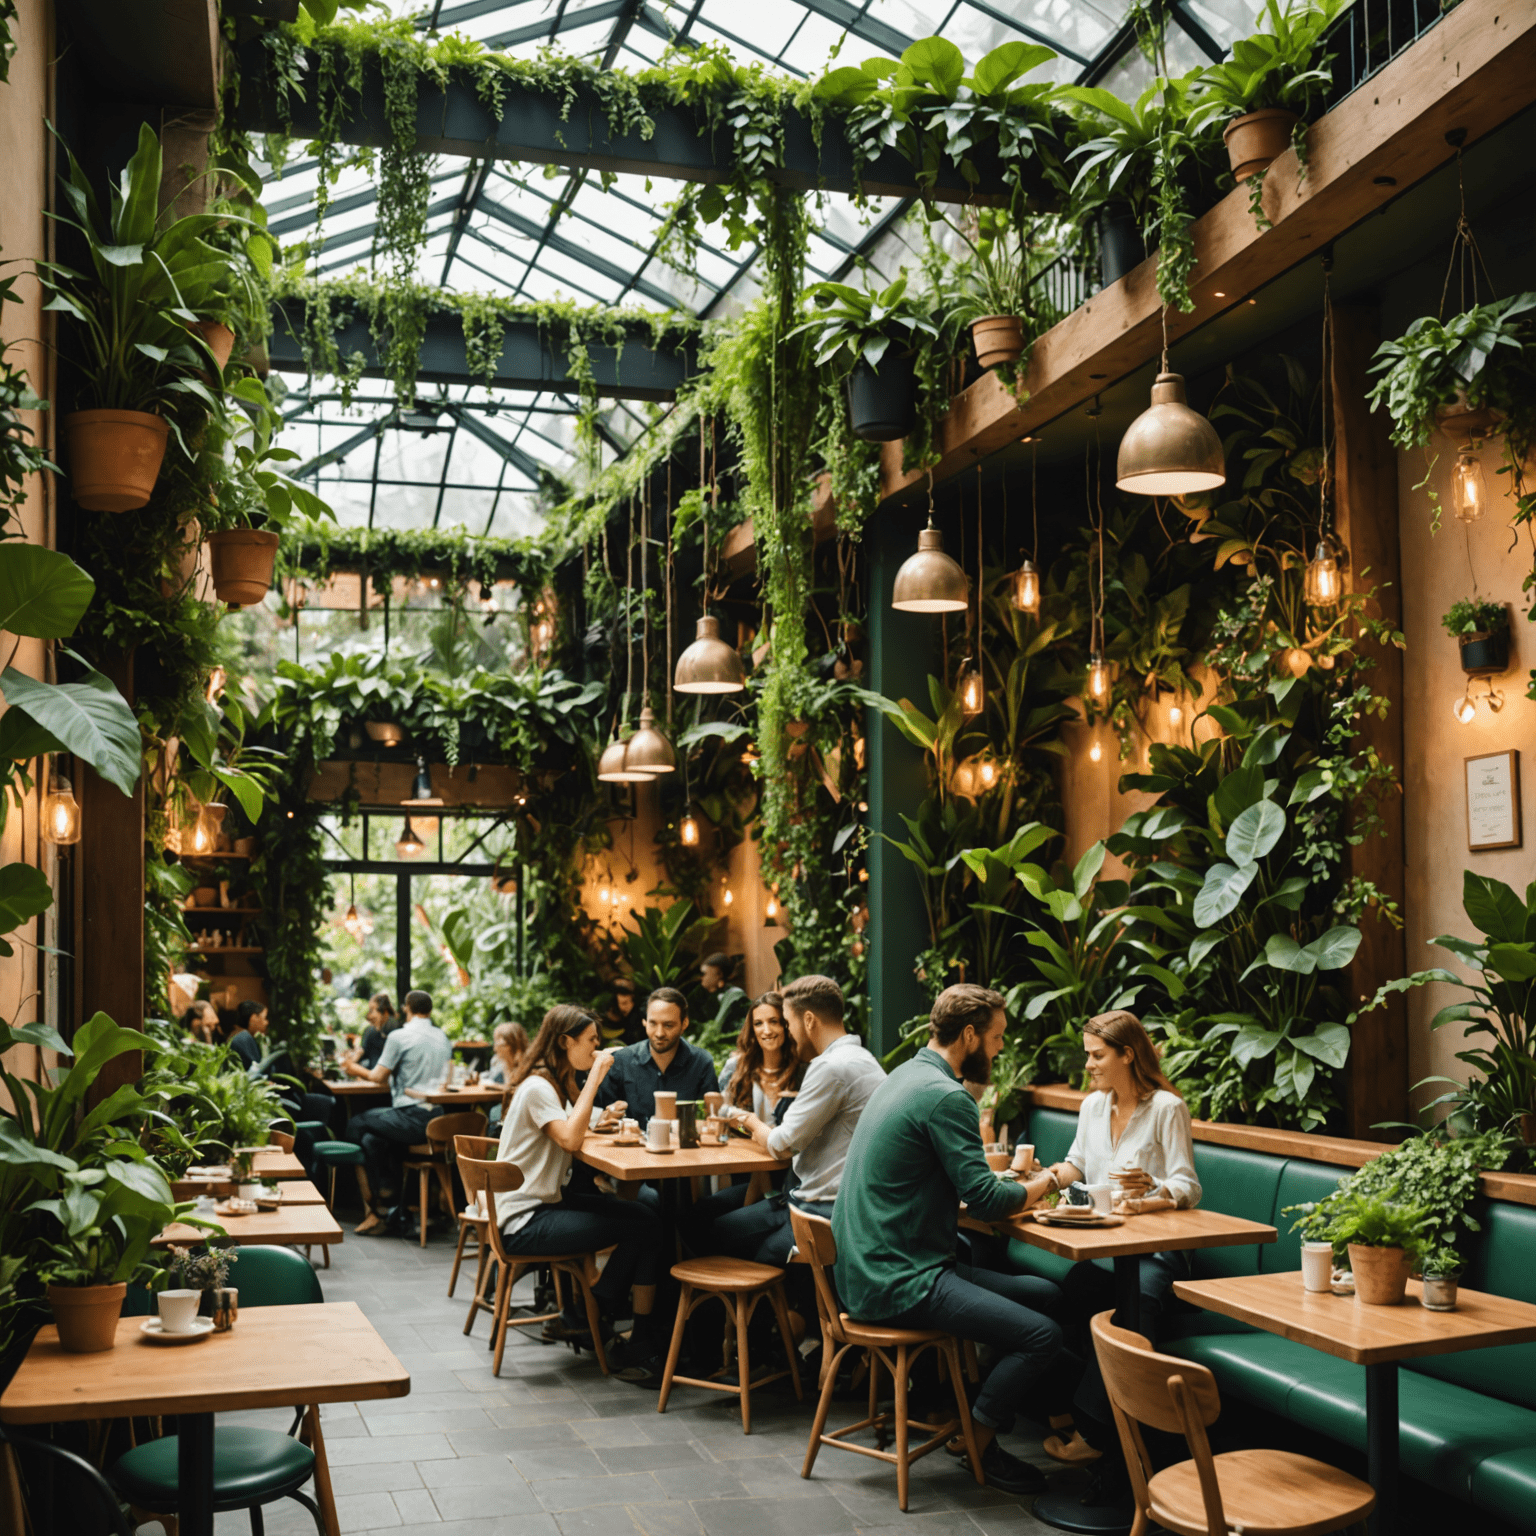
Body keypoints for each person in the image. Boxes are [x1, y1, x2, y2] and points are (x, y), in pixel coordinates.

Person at [833, 983, 1068, 1497]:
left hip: (870, 1269)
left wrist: (1007, 1187)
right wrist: (1053, 1180)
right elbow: (984, 1200)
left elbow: (957, 1185)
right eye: (998, 1037)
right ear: (969, 1035)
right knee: (1042, 1335)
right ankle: (977, 1442)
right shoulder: (946, 1096)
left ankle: (1042, 1415)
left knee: (1047, 1296)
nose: (1002, 1049)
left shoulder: (905, 1076)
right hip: (900, 1281)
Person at [1037, 1010, 1200, 1490]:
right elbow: (1076, 1164)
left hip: (1157, 1252)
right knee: (1071, 1294)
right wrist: (1039, 1182)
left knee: (1138, 1302)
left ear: (1127, 1055)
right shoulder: (1092, 1107)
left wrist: (1149, 1197)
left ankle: (1101, 1432)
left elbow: (1187, 1186)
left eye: (1096, 1055)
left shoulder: (1167, 1108)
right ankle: (1074, 1411)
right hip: (1102, 1245)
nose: (1088, 1064)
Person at [497, 1005, 666, 1383]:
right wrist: (596, 1076)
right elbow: (572, 1138)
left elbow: (572, 1121)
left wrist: (596, 1112)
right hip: (525, 1220)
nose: (596, 1050)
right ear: (565, 1042)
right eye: (591, 1042)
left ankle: (591, 1313)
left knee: (646, 1217)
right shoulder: (539, 1087)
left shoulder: (551, 1083)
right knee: (645, 1225)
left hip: (539, 1204)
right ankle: (607, 1319)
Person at [713, 975, 884, 1277]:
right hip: (829, 1199)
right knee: (722, 1228)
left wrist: (747, 1119)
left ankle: (772, 1316)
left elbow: (782, 1144)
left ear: (808, 1020)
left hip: (822, 1210)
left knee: (725, 1241)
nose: (789, 1035)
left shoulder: (830, 1067)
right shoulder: (863, 1058)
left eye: (787, 1024)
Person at [341, 989, 452, 1236]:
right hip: (438, 1120)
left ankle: (369, 1207)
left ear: (406, 1009)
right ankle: (393, 1206)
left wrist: (351, 1067)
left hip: (412, 1118)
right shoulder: (443, 1037)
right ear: (430, 1011)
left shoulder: (400, 1036)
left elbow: (379, 1076)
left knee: (357, 1123)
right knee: (373, 1140)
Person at [594, 986, 719, 1125]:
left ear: (684, 1023)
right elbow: (600, 1117)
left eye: (668, 1025)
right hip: (631, 1144)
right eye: (653, 1023)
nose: (659, 1033)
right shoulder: (621, 1061)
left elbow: (710, 1117)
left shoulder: (701, 1062)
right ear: (644, 1021)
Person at [699, 952, 748, 1037]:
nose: (701, 977)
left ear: (719, 974)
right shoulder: (701, 996)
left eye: (704, 973)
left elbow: (716, 1029)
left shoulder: (733, 994)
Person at [353, 993, 398, 1070]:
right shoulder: (376, 1030)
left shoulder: (393, 1030)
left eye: (372, 1011)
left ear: (385, 1011)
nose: (369, 1016)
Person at [599, 979, 645, 1047]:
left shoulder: (638, 1017)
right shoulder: (612, 1014)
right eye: (620, 1003)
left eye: (625, 1003)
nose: (623, 1007)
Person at [484, 1020, 529, 1086]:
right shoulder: (502, 1063)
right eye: (495, 1043)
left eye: (500, 1045)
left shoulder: (526, 1067)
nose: (495, 1049)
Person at [226, 1000, 268, 1069]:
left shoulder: (238, 1035)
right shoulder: (244, 1038)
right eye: (265, 1018)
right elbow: (257, 1070)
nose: (267, 1022)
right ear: (254, 1018)